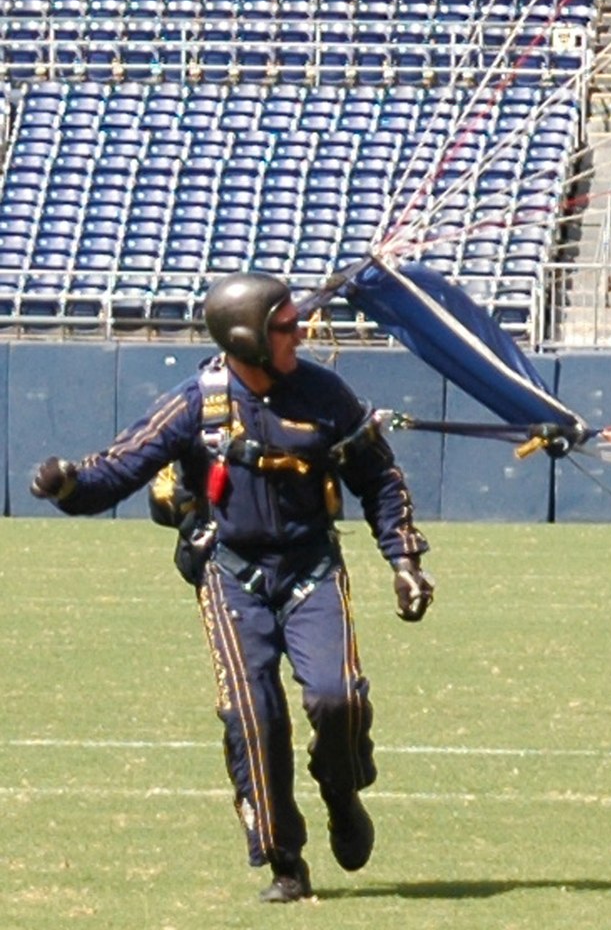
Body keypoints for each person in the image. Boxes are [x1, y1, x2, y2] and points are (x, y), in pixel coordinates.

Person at [30, 271, 432, 905]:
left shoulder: (325, 394)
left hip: (311, 568)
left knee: (337, 698)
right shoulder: (195, 401)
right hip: (232, 572)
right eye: (284, 326)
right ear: (247, 339)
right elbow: (122, 466)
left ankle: (342, 785)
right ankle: (285, 861)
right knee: (254, 715)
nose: (300, 332)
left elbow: (378, 478)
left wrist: (404, 559)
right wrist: (68, 486)